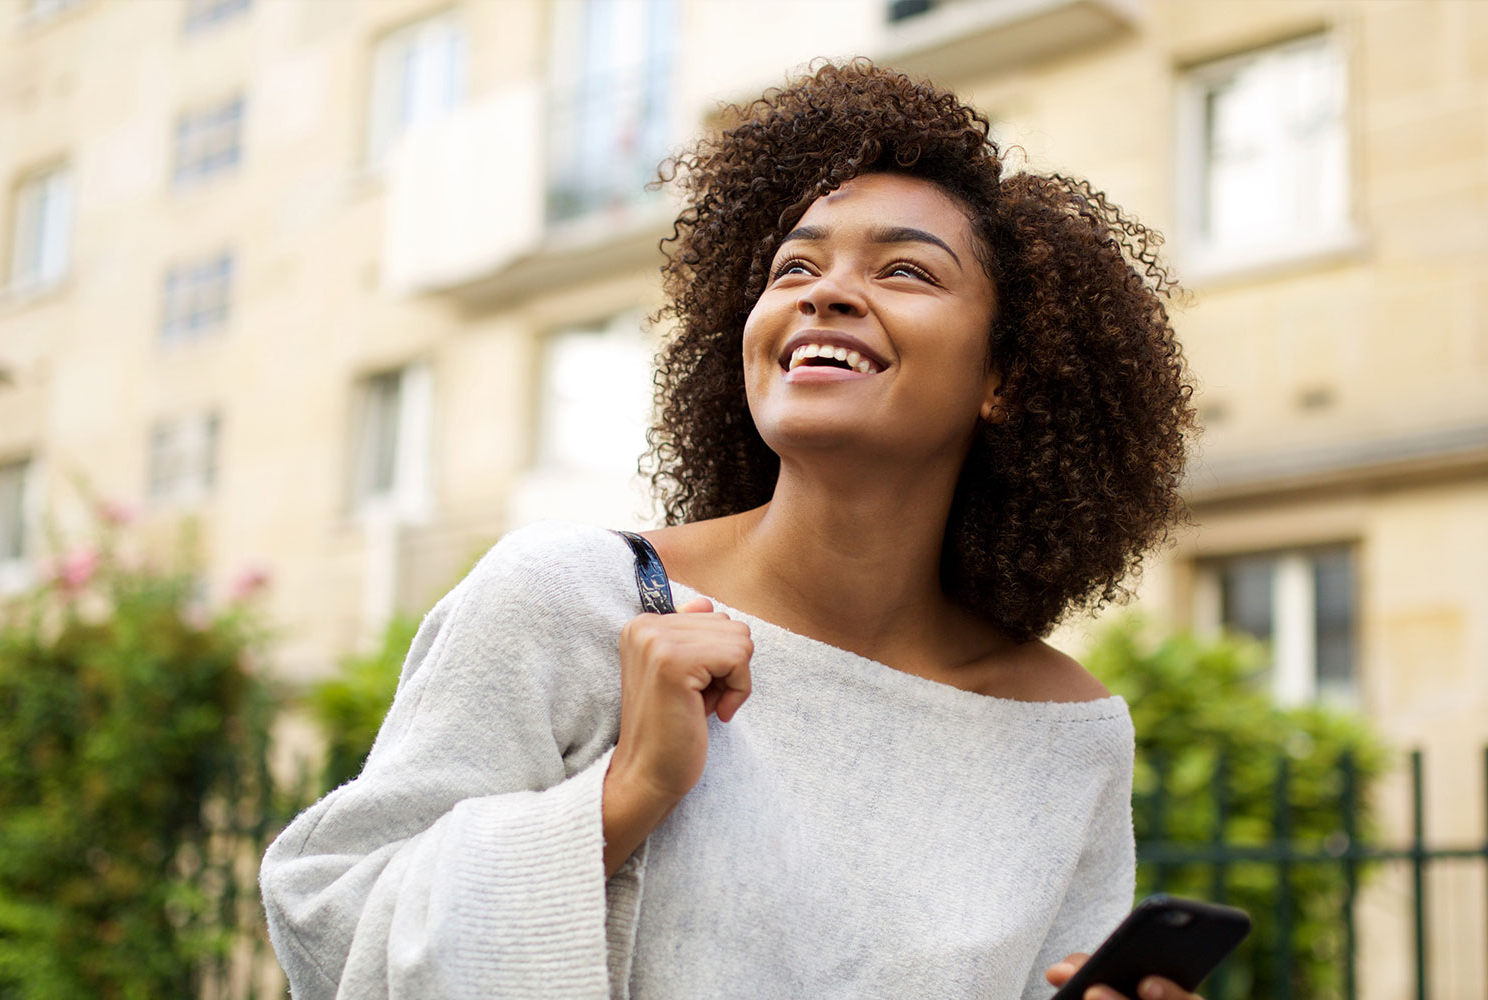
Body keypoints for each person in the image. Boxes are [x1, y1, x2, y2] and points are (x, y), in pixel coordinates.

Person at [262, 60, 1198, 1000]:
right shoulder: (574, 599)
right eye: (795, 266)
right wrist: (625, 796)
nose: (824, 293)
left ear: (1007, 377)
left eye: (905, 269)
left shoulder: (1067, 734)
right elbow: (326, 925)